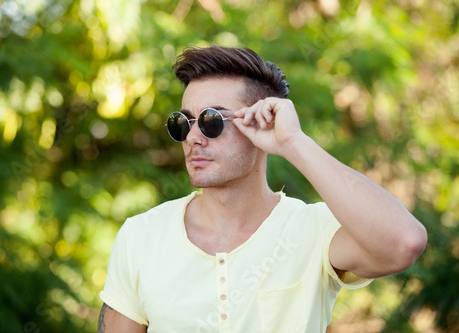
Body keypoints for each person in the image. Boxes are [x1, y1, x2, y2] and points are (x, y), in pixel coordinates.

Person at [97, 45, 427, 333]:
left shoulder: (313, 230)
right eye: (183, 122)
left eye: (212, 121)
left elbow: (404, 243)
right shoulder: (141, 236)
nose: (194, 137)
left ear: (260, 122)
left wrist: (294, 142)